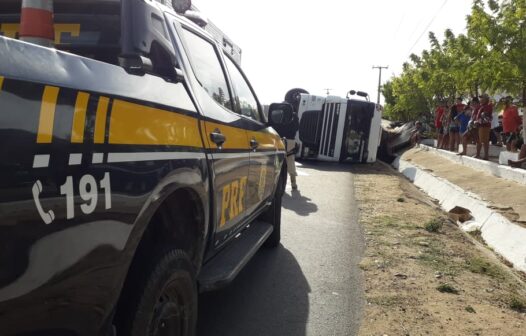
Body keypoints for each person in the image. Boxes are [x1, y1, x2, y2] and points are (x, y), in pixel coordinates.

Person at [273, 110, 300, 189]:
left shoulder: (279, 112)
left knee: (278, 161)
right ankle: (293, 182)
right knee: (290, 161)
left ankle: (277, 181)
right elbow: (297, 127)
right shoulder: (293, 115)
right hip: (290, 141)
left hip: (280, 139)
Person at [473, 93, 493, 160]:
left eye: (482, 98)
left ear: (486, 99)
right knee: (479, 140)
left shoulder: (487, 106)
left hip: (484, 126)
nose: (481, 99)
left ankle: (486, 156)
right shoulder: (481, 106)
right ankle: (478, 154)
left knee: (485, 141)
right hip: (480, 126)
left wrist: (477, 121)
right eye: (480, 98)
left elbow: (486, 118)